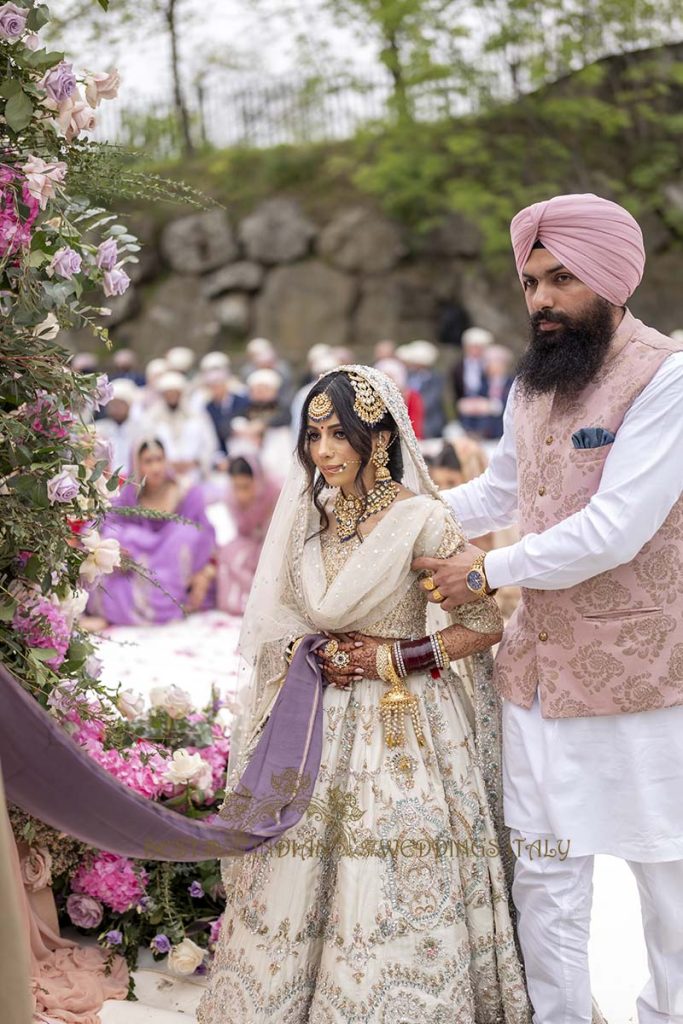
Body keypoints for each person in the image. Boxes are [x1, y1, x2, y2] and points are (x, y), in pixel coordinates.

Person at [413, 193, 683, 1024]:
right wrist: (394, 522)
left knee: (667, 885)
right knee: (544, 878)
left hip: (644, 681)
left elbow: (614, 529)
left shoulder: (665, 374)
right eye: (530, 280)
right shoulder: (533, 382)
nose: (539, 300)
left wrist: (486, 570)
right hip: (532, 678)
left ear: (610, 277)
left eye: (560, 278)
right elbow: (501, 489)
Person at [198, 366, 531, 1023]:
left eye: (338, 434)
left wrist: (393, 658)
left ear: (377, 439)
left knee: (387, 871)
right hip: (315, 721)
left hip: (402, 724)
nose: (323, 451)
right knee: (299, 871)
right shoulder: (310, 522)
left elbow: (483, 625)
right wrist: (310, 650)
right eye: (313, 435)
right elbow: (283, 625)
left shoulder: (421, 520)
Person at [85, 438, 217, 627]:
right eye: (148, 461)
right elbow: (103, 524)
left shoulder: (187, 493)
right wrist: (117, 551)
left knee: (184, 534)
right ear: (137, 464)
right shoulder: (130, 494)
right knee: (117, 539)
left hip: (174, 572)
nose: (156, 468)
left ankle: (162, 603)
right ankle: (118, 607)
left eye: (160, 459)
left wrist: (205, 573)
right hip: (138, 565)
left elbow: (206, 536)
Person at [215, 452, 280, 615]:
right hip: (247, 540)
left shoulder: (274, 492)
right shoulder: (230, 497)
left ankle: (263, 601)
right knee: (229, 555)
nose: (240, 494)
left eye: (246, 486)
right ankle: (242, 602)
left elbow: (278, 530)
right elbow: (243, 531)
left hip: (274, 542)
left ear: (257, 480)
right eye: (236, 487)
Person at [141, 370, 219, 482]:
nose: (171, 396)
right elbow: (147, 445)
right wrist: (166, 463)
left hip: (194, 473)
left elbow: (210, 444)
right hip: (164, 474)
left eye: (174, 393)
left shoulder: (197, 416)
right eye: (168, 393)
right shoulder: (152, 418)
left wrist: (195, 462)